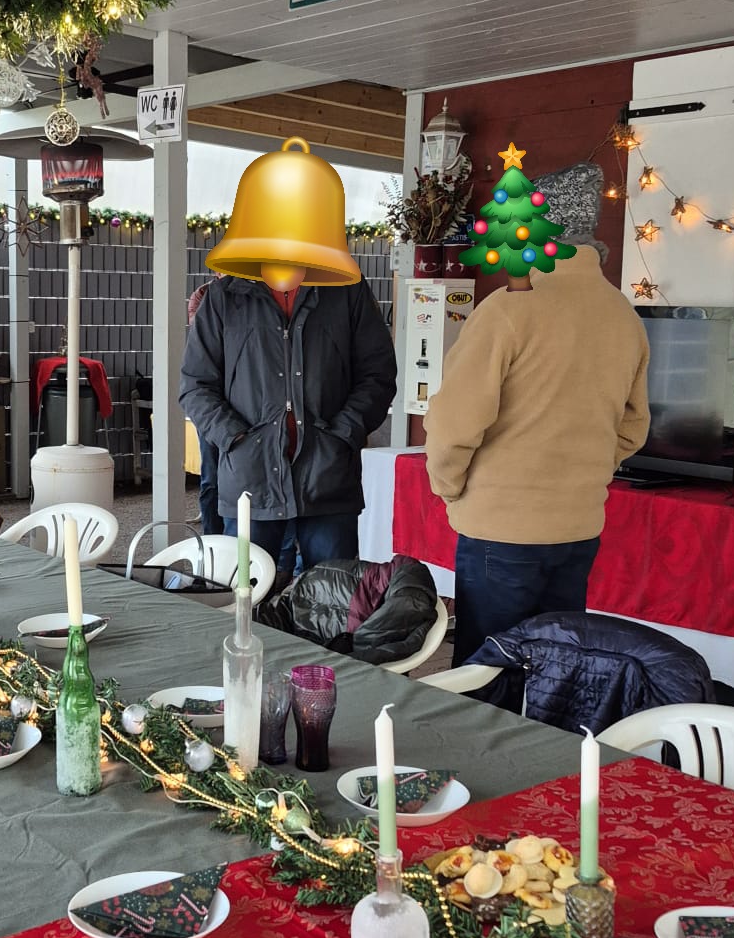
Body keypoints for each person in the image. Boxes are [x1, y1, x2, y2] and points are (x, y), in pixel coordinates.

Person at [424, 162, 649, 666]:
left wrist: (451, 488)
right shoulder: (623, 315)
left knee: (487, 676)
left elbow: (453, 425)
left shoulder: (508, 309)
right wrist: (583, 475)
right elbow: (633, 428)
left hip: (501, 525)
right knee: (558, 668)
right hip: (579, 525)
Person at [180, 274, 396, 576]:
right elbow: (195, 385)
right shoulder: (224, 295)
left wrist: (342, 435)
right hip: (250, 481)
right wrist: (235, 438)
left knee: (329, 595)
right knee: (246, 595)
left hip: (328, 478)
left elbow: (378, 375)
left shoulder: (346, 288)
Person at [186, 282, 221, 536]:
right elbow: (202, 332)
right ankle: (212, 541)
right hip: (212, 406)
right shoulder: (203, 294)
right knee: (212, 478)